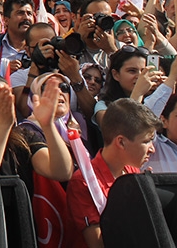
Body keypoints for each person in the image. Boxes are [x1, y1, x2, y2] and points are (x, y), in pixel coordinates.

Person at [67, 99, 160, 248]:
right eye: (146, 141)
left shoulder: (132, 171)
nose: (152, 149)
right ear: (121, 142)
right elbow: (98, 243)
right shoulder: (84, 183)